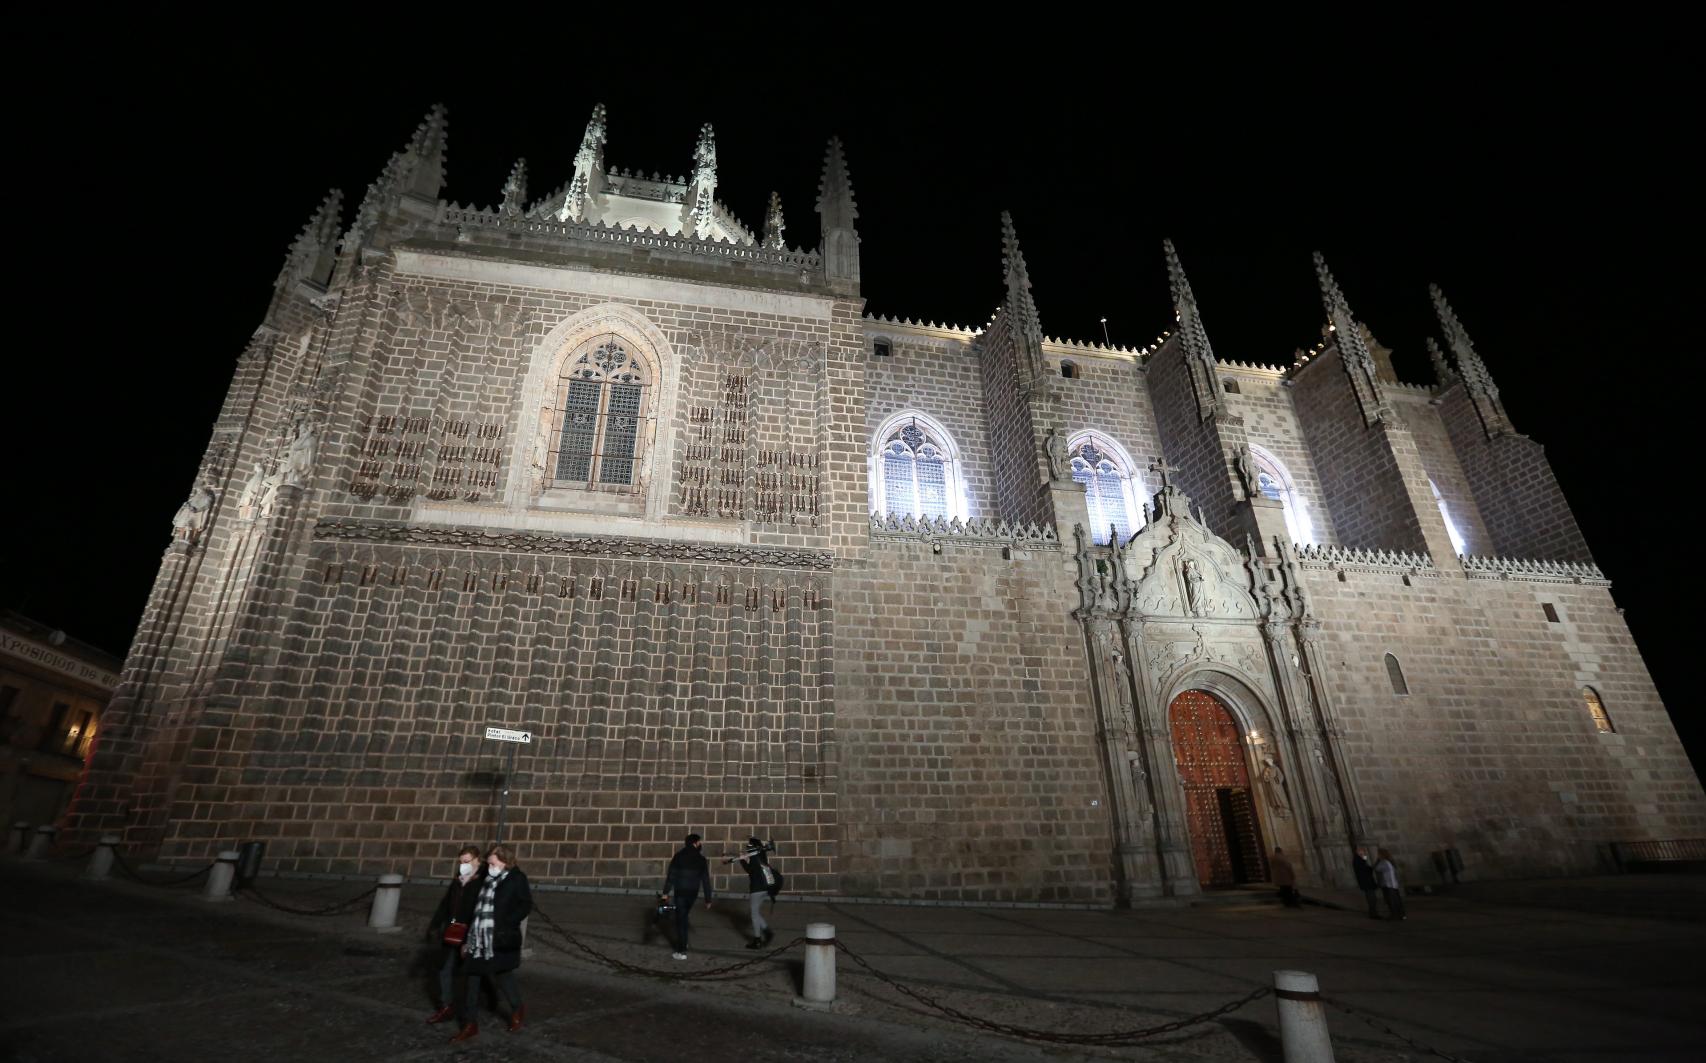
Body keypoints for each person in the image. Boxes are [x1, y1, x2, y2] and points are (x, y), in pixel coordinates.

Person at [450, 844, 532, 1042]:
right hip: (478, 938)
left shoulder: (516, 879)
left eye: (493, 862)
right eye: (489, 862)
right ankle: (470, 1024)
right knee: (472, 977)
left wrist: (506, 922)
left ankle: (516, 1007)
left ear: (505, 860)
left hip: (500, 937)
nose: (490, 865)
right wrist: (467, 938)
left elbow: (525, 904)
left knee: (503, 975)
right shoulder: (485, 878)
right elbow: (474, 907)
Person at [425, 845, 484, 1024]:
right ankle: (446, 1006)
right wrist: (435, 925)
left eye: (466, 862)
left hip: (470, 933)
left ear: (477, 861)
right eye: (461, 862)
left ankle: (469, 1015)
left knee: (471, 975)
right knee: (444, 968)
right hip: (452, 931)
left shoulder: (482, 882)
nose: (463, 865)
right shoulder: (457, 881)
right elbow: (445, 904)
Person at [662, 832, 714, 960]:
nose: (700, 844)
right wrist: (708, 899)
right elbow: (706, 880)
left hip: (680, 892)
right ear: (694, 843)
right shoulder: (701, 860)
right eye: (699, 842)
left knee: (681, 920)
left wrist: (665, 893)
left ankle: (682, 951)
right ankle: (683, 944)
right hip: (692, 894)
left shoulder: (678, 856)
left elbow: (671, 876)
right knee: (683, 918)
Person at [738, 837, 777, 949]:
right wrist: (746, 857)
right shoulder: (762, 855)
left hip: (757, 889)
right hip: (765, 888)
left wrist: (742, 860)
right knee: (755, 912)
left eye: (749, 844)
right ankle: (767, 932)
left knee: (754, 915)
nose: (748, 846)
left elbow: (750, 870)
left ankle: (757, 940)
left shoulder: (755, 856)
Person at [1374, 848, 1406, 921]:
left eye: (1378, 854)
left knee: (1391, 901)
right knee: (1397, 900)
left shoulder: (1384, 862)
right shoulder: (1390, 861)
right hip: (1394, 884)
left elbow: (1376, 868)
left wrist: (1377, 860)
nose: (1377, 855)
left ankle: (1394, 915)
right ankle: (1401, 915)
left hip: (1388, 885)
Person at [1352, 847, 1381, 919]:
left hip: (1367, 881)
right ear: (1358, 852)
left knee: (1373, 898)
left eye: (1364, 851)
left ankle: (1374, 913)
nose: (1364, 853)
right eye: (1362, 851)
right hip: (1366, 882)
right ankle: (1373, 914)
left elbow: (1365, 863)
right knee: (1372, 898)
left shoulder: (1360, 859)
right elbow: (1365, 868)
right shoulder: (1357, 860)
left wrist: (1364, 856)